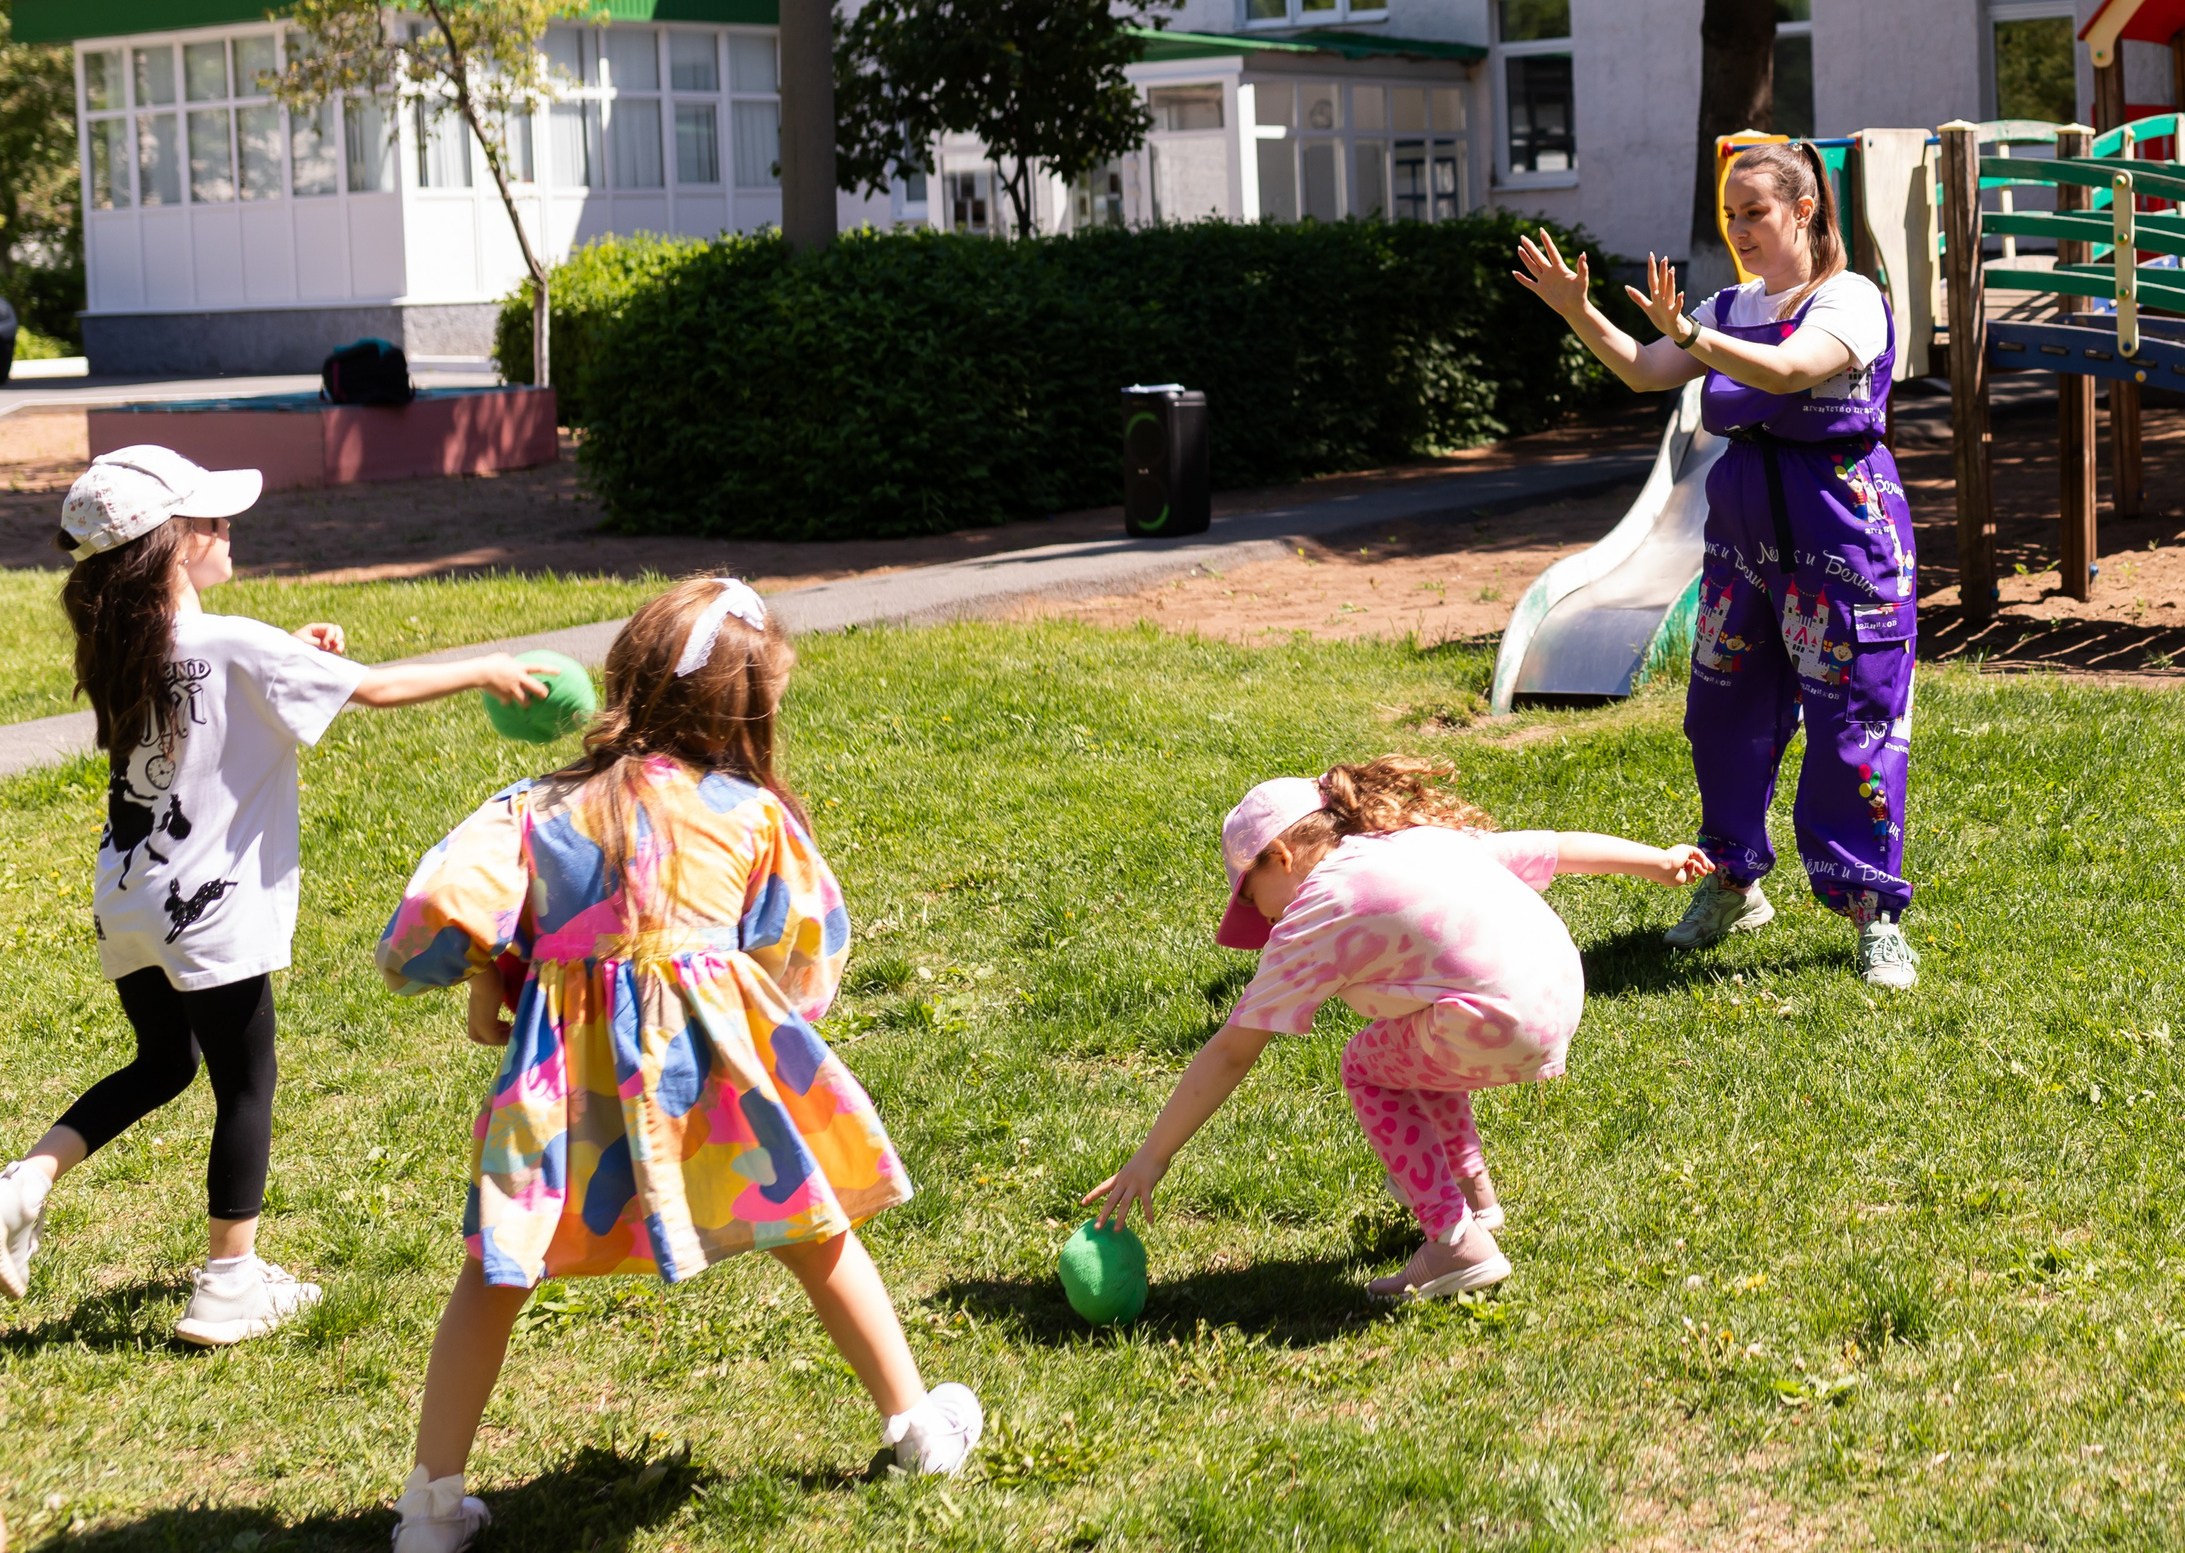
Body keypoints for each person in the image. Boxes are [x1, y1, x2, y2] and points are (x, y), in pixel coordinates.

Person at [375, 576, 979, 1553]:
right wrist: (775, 1007)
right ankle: (914, 1427)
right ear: (744, 704)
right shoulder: (749, 815)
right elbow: (804, 944)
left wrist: (489, 973)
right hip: (715, 1079)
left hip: (568, 1090)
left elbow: (430, 918)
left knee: (497, 1266)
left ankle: (429, 1510)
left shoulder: (534, 808)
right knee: (811, 1227)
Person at [0, 445, 551, 1344]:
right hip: (208, 905)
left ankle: (21, 1186)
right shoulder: (229, 640)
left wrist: (289, 657)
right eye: (213, 521)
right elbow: (374, 689)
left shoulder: (120, 645)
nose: (229, 531)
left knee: (163, 1062)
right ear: (174, 544)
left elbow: (210, 701)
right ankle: (229, 1282)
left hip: (132, 892)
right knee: (246, 1081)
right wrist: (485, 667)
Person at [1513, 141, 1923, 991]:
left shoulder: (1850, 299)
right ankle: (1736, 880)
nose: (1737, 229)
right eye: (1729, 215)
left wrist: (1696, 333)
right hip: (1743, 540)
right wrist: (1576, 310)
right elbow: (1642, 369)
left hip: (1843, 536)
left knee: (1852, 724)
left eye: (1755, 212)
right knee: (1722, 715)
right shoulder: (1734, 301)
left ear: (1803, 211)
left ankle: (1872, 915)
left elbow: (1788, 369)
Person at [1084, 757, 1707, 1303]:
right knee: (1415, 1034)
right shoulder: (1406, 840)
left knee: (1364, 1065)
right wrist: (1658, 862)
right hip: (1559, 990)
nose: (1258, 917)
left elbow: (1231, 1051)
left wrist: (1150, 1158)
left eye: (1249, 896)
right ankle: (1474, 1193)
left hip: (1502, 1021)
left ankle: (1456, 1241)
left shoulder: (1318, 906)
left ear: (1280, 857)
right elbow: (1552, 847)